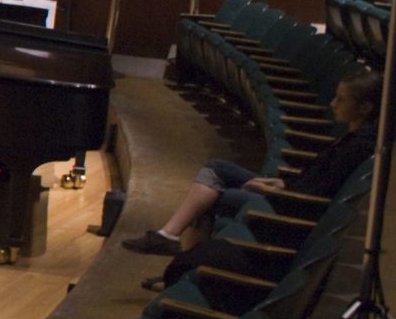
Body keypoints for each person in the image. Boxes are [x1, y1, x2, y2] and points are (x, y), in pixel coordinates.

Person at [122, 69, 381, 260]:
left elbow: (319, 193)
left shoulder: (358, 146)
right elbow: (314, 178)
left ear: (365, 107)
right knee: (217, 168)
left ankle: (184, 262)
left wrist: (275, 191)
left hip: (293, 209)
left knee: (215, 197)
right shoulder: (353, 136)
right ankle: (169, 236)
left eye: (341, 100)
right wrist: (280, 182)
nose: (332, 104)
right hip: (289, 192)